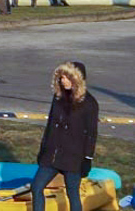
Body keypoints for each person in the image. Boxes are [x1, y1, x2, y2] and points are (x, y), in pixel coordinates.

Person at [32, 62, 100, 211]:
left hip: (73, 157)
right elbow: (51, 124)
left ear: (77, 79)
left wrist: (87, 159)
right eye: (61, 78)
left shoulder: (89, 103)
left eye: (67, 78)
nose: (63, 81)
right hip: (52, 155)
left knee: (72, 193)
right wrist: (43, 148)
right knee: (36, 186)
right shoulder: (58, 98)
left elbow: (91, 134)